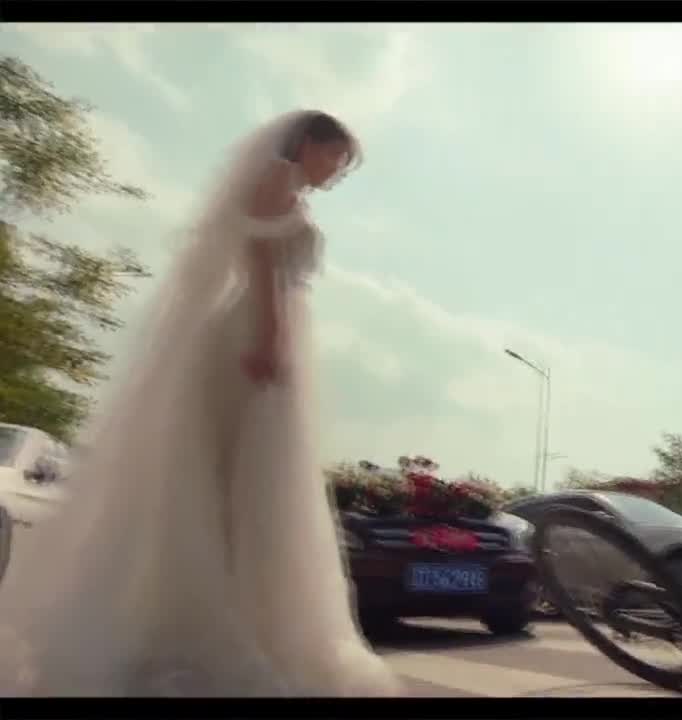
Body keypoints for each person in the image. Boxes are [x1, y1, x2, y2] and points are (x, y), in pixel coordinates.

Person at [0, 110, 404, 696]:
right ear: (309, 143)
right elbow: (262, 262)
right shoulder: (276, 180)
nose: (337, 170)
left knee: (255, 485)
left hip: (271, 324)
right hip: (255, 327)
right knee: (241, 479)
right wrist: (271, 335)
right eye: (335, 155)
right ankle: (212, 624)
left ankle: (249, 619)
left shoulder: (286, 188)